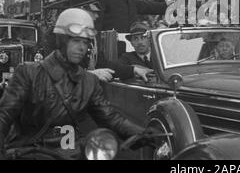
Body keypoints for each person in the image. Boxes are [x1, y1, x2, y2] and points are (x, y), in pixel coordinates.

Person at [0, 8, 146, 159]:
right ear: (62, 40)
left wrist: (145, 133)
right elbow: (4, 115)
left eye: (85, 42)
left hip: (70, 153)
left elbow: (111, 118)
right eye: (76, 40)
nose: (82, 47)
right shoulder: (28, 73)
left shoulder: (89, 81)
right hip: (31, 152)